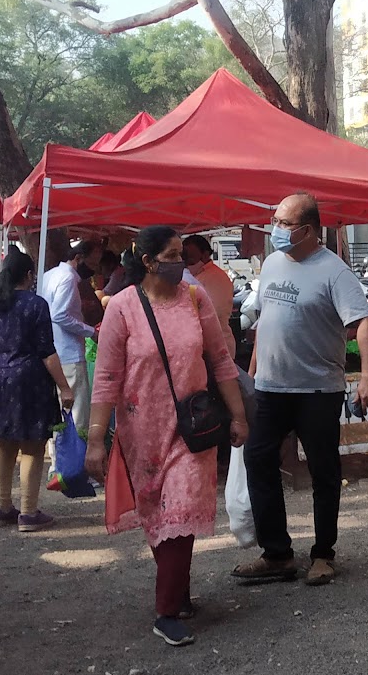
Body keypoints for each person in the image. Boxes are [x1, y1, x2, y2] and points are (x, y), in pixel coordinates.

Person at [84, 226, 248, 647]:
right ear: (148, 261)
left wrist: (238, 414)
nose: (182, 262)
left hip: (191, 427)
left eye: (182, 254)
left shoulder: (196, 301)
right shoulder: (121, 308)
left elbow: (222, 360)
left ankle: (166, 611)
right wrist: (97, 439)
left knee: (183, 506)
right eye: (173, 254)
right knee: (160, 516)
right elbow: (106, 379)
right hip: (142, 432)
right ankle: (177, 591)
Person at [234, 193, 368, 587]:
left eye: (284, 224)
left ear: (309, 230)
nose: (276, 230)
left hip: (317, 389)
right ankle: (277, 553)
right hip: (270, 387)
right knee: (258, 459)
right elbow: (266, 318)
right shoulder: (273, 262)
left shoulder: (334, 271)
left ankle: (323, 554)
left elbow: (363, 322)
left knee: (323, 471)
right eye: (276, 221)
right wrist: (253, 368)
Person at [0, 249, 74, 532]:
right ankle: (28, 512)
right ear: (29, 276)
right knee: (32, 446)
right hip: (28, 380)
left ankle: (2, 508)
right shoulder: (35, 305)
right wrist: (64, 386)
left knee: (2, 444)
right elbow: (47, 352)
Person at [40, 238, 97, 433]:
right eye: (93, 263)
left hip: (54, 352)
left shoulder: (49, 275)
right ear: (79, 258)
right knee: (77, 416)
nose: (95, 269)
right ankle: (74, 461)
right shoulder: (68, 278)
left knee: (60, 416)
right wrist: (91, 332)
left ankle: (60, 460)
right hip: (68, 353)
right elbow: (60, 314)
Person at [182, 234, 235, 344]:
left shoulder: (216, 277)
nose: (187, 263)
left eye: (191, 258)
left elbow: (214, 313)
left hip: (217, 344)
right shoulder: (196, 275)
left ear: (205, 255)